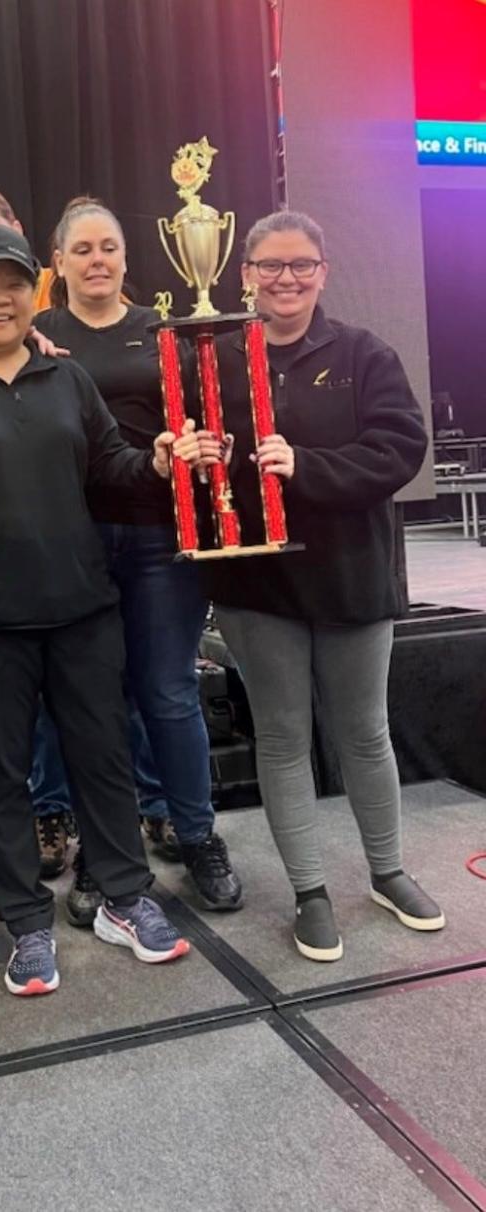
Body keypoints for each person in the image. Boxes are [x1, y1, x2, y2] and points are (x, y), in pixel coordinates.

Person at [0, 223, 196, 996]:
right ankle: (27, 926)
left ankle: (124, 899)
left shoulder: (68, 381)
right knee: (1, 777)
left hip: (81, 606)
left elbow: (113, 470)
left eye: (12, 284)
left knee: (102, 759)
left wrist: (157, 464)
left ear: (35, 293)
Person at [197, 209, 444, 962]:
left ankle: (387, 871)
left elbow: (401, 448)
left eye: (301, 264)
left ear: (323, 273)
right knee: (281, 738)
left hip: (352, 577)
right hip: (258, 582)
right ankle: (309, 891)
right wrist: (195, 453)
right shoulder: (218, 362)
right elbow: (202, 461)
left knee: (365, 733)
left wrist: (310, 467)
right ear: (245, 275)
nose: (286, 279)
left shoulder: (365, 354)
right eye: (271, 266)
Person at [33, 197, 245, 915]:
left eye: (108, 248)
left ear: (127, 258)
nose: (97, 261)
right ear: (57, 261)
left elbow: (203, 419)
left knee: (169, 692)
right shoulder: (35, 336)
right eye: (82, 249)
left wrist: (207, 450)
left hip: (159, 536)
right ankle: (107, 848)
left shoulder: (161, 333)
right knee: (94, 705)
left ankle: (197, 835)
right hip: (76, 541)